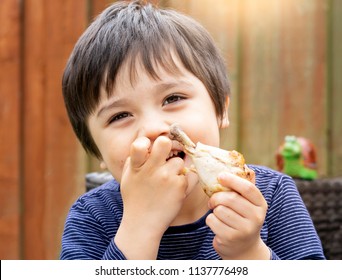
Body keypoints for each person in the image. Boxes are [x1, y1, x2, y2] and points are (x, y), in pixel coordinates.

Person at [60, 0, 325, 260]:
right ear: (97, 152)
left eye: (173, 98)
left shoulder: (272, 196)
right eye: (120, 115)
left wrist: (248, 253)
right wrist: (140, 228)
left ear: (220, 109)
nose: (154, 128)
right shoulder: (92, 217)